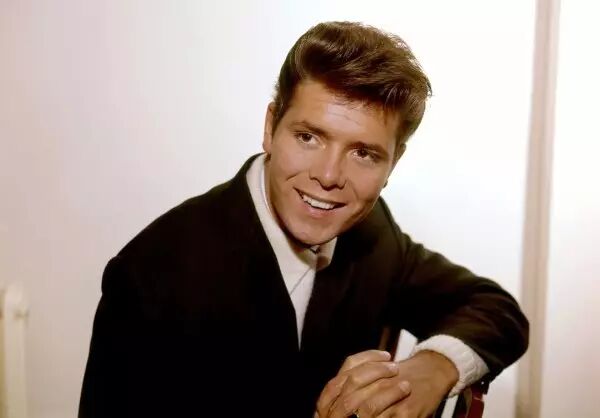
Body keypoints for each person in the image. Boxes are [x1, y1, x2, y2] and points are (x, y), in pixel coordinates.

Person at [79, 21, 528, 418]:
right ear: (270, 126)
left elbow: (496, 309)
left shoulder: (372, 231)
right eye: (309, 137)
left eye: (364, 153)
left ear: (394, 163)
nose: (329, 177)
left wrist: (432, 368)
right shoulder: (150, 276)